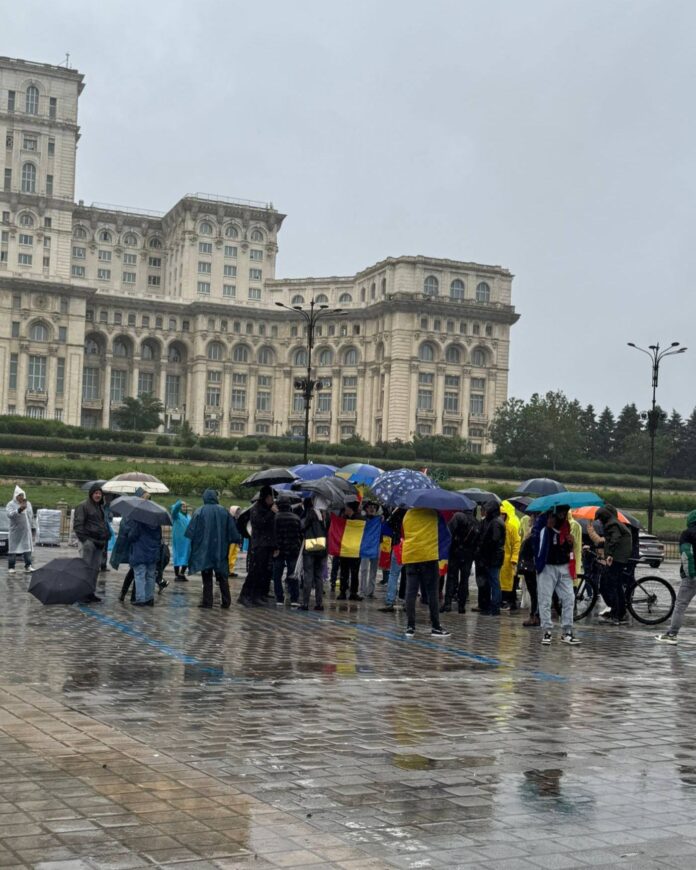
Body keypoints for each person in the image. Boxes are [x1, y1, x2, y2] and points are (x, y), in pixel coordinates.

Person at [533, 505, 580, 645]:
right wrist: (546, 529)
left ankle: (567, 631)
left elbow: (569, 547)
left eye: (565, 512)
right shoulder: (543, 521)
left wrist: (571, 543)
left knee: (569, 598)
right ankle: (547, 631)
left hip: (564, 566)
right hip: (547, 566)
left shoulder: (566, 525)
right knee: (545, 599)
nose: (563, 514)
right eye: (561, 511)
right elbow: (535, 542)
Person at [186, 488, 241, 609]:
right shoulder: (224, 512)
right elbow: (232, 531)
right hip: (220, 550)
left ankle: (207, 602)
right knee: (222, 576)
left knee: (207, 577)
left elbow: (191, 532)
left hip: (205, 550)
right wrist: (237, 539)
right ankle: (226, 601)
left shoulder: (199, 512)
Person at [401, 507, 450, 637]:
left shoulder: (408, 514)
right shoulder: (433, 514)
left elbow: (404, 534)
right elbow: (444, 534)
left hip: (411, 556)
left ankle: (410, 627)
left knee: (411, 592)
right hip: (429, 557)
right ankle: (435, 626)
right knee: (432, 593)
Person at [587, 505, 633, 625]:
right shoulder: (614, 522)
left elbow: (614, 539)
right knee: (615, 585)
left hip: (617, 558)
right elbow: (608, 541)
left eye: (600, 519)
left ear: (604, 517)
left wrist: (610, 555)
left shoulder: (611, 524)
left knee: (610, 585)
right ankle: (619, 612)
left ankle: (616, 614)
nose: (600, 521)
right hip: (620, 557)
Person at [656, 509, 696, 644]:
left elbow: (687, 555)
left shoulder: (687, 534)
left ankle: (672, 634)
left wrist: (691, 574)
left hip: (691, 576)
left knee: (680, 605)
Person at [239, 486, 277, 607]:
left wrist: (275, 546)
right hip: (259, 545)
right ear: (266, 497)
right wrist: (271, 513)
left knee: (263, 572)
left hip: (268, 545)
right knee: (254, 571)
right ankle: (245, 595)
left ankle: (257, 595)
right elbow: (259, 524)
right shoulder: (256, 509)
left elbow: (272, 528)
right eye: (271, 497)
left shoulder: (270, 509)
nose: (273, 500)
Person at [73, 482, 110, 602]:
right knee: (86, 568)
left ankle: (90, 592)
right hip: (89, 542)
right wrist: (85, 540)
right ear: (91, 494)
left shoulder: (100, 508)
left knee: (95, 569)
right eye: (96, 493)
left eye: (100, 493)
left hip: (99, 542)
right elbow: (78, 525)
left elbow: (102, 524)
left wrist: (106, 535)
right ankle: (82, 593)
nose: (98, 495)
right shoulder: (83, 506)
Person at [441, 509, 479, 614]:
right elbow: (477, 541)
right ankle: (461, 606)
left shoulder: (458, 516)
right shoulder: (476, 521)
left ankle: (448, 603)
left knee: (451, 578)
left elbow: (448, 532)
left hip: (455, 552)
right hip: (468, 555)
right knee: (464, 580)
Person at [272, 494, 303, 606]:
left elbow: (273, 535)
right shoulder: (296, 518)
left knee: (277, 575)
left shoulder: (275, 518)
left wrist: (275, 548)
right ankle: (294, 598)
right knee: (293, 575)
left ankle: (279, 598)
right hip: (293, 551)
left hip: (278, 551)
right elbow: (300, 535)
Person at [476, 501, 506, 616]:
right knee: (493, 581)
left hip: (493, 557)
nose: (486, 511)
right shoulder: (496, 521)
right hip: (494, 557)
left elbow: (493, 541)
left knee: (494, 582)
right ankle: (492, 606)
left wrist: (484, 552)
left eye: (488, 509)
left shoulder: (495, 523)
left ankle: (494, 607)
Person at [125, 514, 162, 606]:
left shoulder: (138, 522)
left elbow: (132, 536)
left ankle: (140, 599)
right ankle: (149, 598)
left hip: (140, 552)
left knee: (139, 575)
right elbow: (159, 538)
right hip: (153, 553)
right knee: (150, 576)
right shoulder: (157, 524)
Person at [301, 498, 329, 611]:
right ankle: (319, 603)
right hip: (322, 548)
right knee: (318, 576)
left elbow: (302, 527)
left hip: (310, 547)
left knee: (308, 575)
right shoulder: (325, 514)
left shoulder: (310, 513)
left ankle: (305, 603)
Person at [379, 508, 406, 613]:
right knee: (408, 575)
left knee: (394, 574)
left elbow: (387, 526)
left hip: (398, 545)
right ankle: (406, 601)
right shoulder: (418, 511)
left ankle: (390, 601)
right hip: (412, 547)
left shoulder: (399, 510)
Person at [337, 501, 363, 601]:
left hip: (355, 550)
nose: (345, 509)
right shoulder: (344, 518)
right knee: (344, 571)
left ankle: (353, 592)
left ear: (351, 509)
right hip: (345, 549)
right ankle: (343, 592)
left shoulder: (360, 519)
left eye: (346, 507)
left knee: (354, 572)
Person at [6, 485, 34, 574]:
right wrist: (19, 510)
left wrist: (33, 528)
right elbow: (10, 515)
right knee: (13, 549)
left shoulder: (28, 504)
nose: (21, 497)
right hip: (15, 531)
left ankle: (28, 565)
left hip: (26, 531)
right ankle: (11, 567)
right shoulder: (10, 504)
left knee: (27, 548)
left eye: (22, 495)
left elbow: (30, 516)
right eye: (19, 495)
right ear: (16, 496)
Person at [499, 501, 521, 611]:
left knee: (509, 582)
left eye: (503, 514)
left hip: (508, 560)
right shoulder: (496, 526)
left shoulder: (511, 528)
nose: (501, 516)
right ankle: (502, 601)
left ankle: (510, 602)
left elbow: (517, 543)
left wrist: (514, 558)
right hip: (498, 559)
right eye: (500, 514)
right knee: (499, 581)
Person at [520, 511, 540, 627]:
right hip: (530, 566)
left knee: (534, 592)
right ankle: (535, 615)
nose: (529, 519)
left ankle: (534, 616)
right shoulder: (533, 531)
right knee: (534, 592)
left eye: (531, 517)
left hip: (531, 566)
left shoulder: (534, 533)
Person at [359, 502, 380, 598]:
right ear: (366, 509)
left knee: (373, 570)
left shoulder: (379, 519)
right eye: (370, 507)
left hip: (375, 546)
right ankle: (362, 590)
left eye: (374, 507)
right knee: (364, 569)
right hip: (365, 547)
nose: (372, 509)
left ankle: (370, 591)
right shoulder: (362, 519)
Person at [170, 499, 191, 580]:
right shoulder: (176, 515)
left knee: (187, 556)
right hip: (178, 540)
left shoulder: (188, 516)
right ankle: (177, 575)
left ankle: (181, 573)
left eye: (185, 506)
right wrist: (179, 503)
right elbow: (175, 509)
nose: (184, 508)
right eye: (183, 506)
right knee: (177, 556)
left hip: (188, 540)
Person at [228, 505, 241, 577]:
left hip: (235, 540)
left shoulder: (236, 520)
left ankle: (231, 570)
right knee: (230, 556)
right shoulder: (229, 520)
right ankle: (228, 570)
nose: (237, 513)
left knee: (234, 556)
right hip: (231, 541)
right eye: (236, 511)